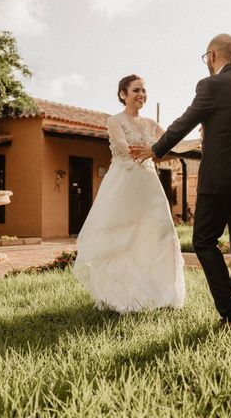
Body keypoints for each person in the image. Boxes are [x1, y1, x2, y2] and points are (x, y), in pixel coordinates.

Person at [131, 34, 231, 329]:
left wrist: (156, 149)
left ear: (213, 55)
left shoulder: (211, 85)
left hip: (219, 180)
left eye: (206, 58)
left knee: (203, 241)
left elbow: (185, 120)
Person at [73, 75, 192, 313]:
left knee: (160, 233)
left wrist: (199, 141)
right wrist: (153, 151)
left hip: (149, 186)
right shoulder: (114, 121)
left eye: (144, 91)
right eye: (136, 90)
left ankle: (162, 294)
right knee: (123, 237)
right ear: (122, 94)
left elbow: (174, 146)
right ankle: (121, 297)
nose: (142, 95)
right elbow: (124, 148)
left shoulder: (150, 124)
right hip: (124, 185)